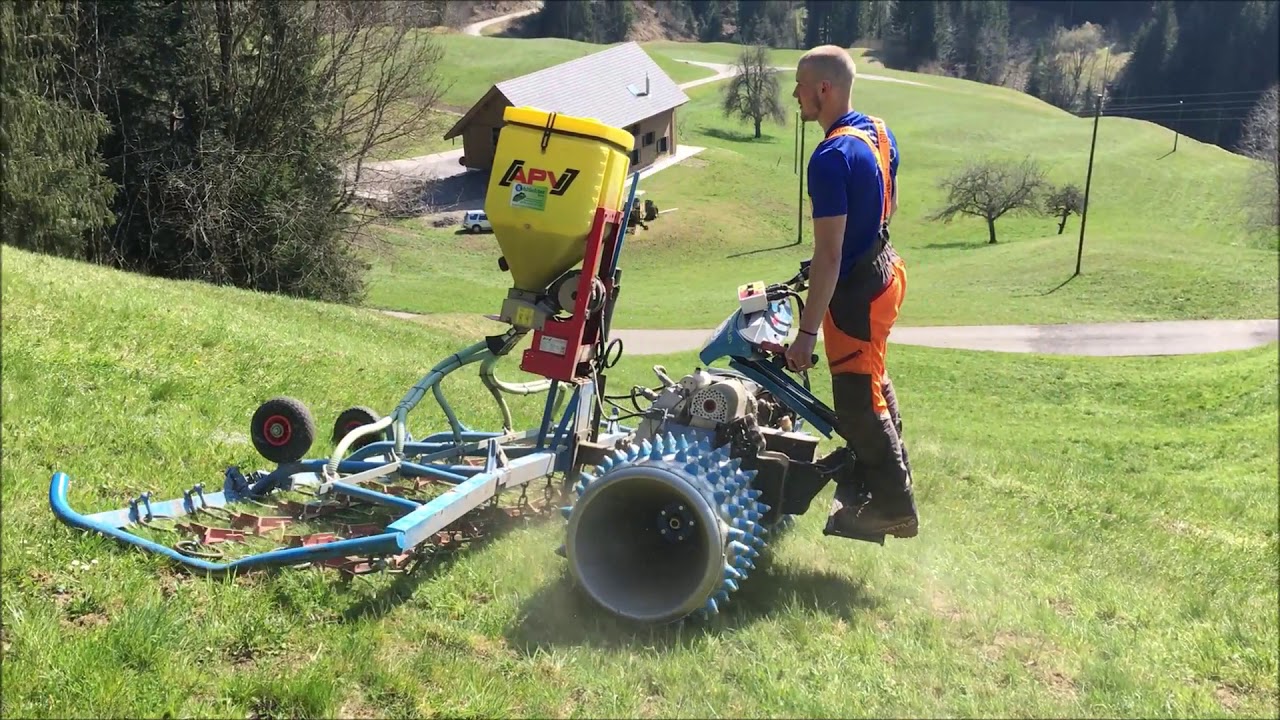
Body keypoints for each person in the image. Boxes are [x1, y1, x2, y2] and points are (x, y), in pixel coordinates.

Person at [783, 45, 918, 543]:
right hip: (887, 271)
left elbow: (829, 255)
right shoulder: (878, 132)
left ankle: (893, 508)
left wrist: (805, 335)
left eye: (800, 85)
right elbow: (889, 206)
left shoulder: (830, 157)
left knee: (857, 402)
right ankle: (885, 477)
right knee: (872, 379)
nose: (795, 94)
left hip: (857, 293)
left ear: (824, 88)